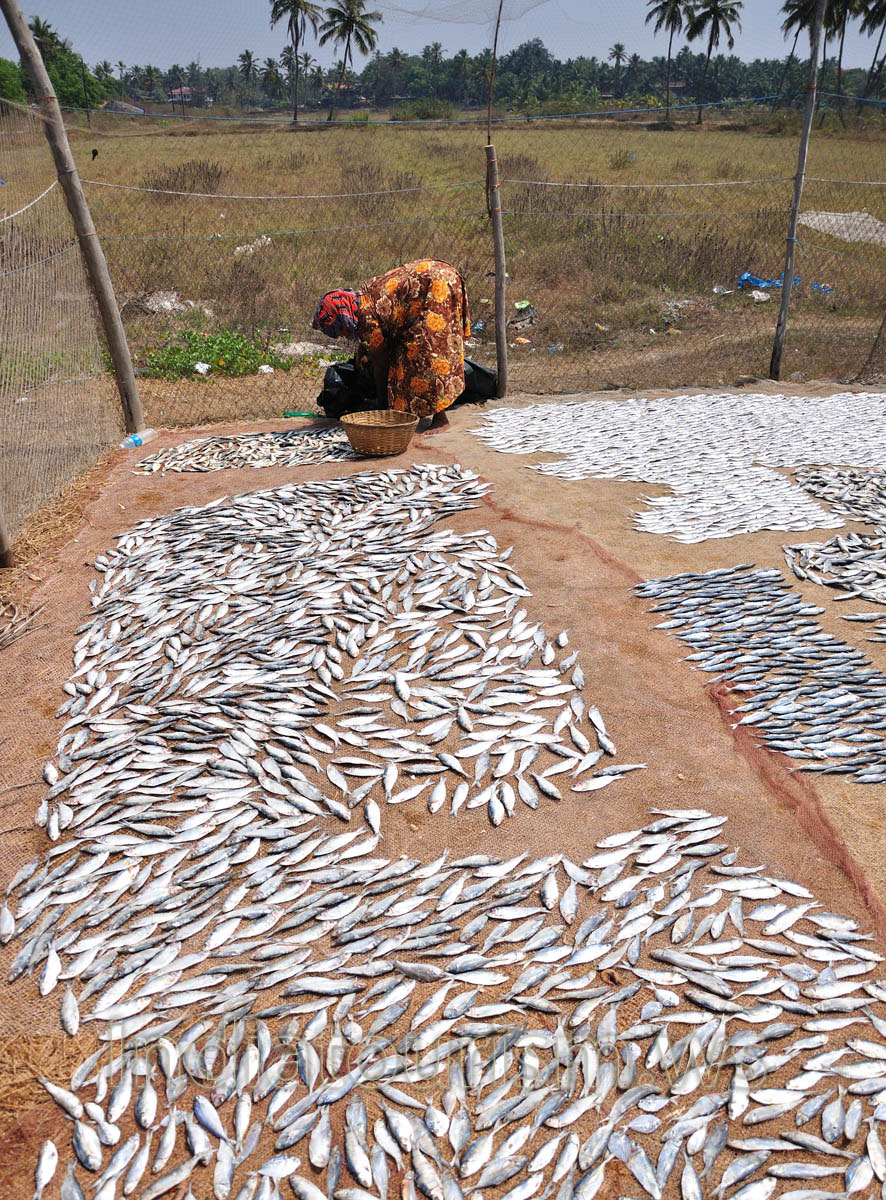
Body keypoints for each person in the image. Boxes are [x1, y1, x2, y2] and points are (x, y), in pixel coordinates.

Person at [312, 259, 471, 433]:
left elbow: (381, 364)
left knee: (428, 353)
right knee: (406, 358)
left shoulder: (366, 320)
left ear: (344, 320)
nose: (341, 335)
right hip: (436, 274)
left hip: (435, 286)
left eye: (339, 330)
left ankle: (441, 419)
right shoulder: (361, 299)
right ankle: (422, 409)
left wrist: (382, 404)